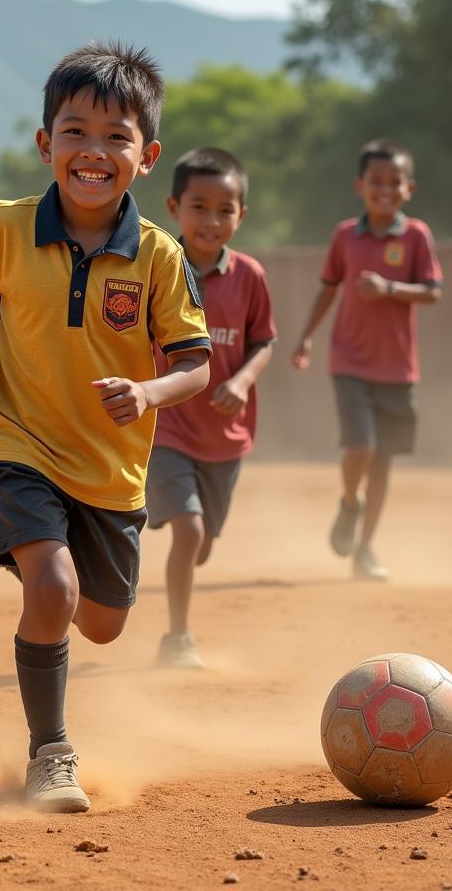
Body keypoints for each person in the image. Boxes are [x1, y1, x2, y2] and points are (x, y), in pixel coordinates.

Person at [0, 41, 211, 812]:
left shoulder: (158, 255)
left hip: (110, 467)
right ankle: (50, 753)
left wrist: (151, 393)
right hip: (12, 438)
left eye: (115, 136)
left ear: (145, 156)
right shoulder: (7, 227)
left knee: (104, 625)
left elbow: (197, 362)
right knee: (50, 586)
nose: (93, 151)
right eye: (75, 131)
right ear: (44, 142)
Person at [145, 148, 275, 669]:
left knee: (201, 543)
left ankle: (185, 556)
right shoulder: (156, 266)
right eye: (199, 206)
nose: (212, 220)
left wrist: (242, 381)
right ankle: (178, 639)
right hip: (166, 426)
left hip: (225, 434)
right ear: (175, 207)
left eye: (226, 209)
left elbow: (263, 342)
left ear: (241, 216)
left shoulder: (250, 276)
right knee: (190, 531)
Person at [291, 139, 442, 581]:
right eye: (376, 181)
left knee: (384, 461)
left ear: (408, 188)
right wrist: (305, 337)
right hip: (350, 360)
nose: (385, 189)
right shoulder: (344, 235)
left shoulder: (417, 235)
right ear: (360, 185)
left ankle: (366, 550)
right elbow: (329, 287)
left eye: (394, 182)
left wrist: (391, 289)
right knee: (361, 447)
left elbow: (433, 291)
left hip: (398, 368)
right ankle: (349, 502)